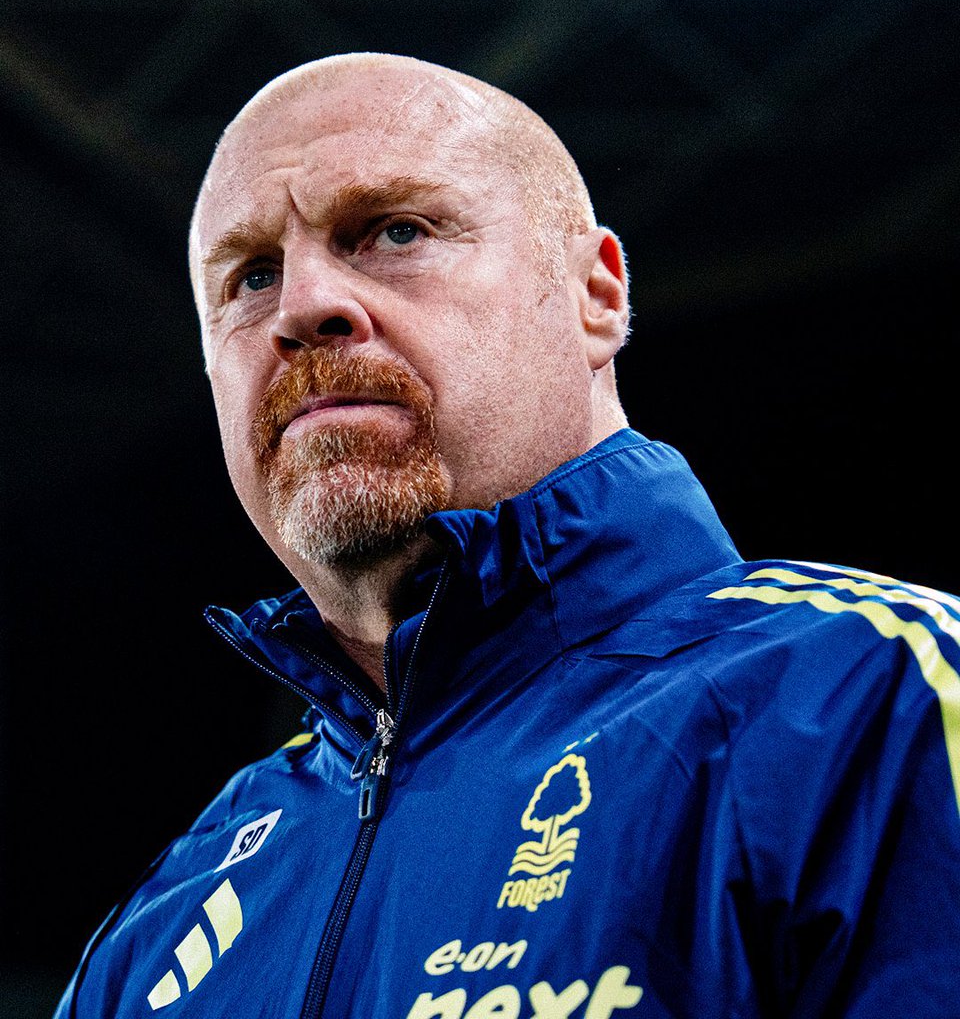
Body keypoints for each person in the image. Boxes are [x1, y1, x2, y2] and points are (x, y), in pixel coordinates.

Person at [56, 53, 960, 1019]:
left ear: (595, 295)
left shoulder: (875, 701)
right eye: (251, 277)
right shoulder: (160, 931)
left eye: (394, 232)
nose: (302, 307)